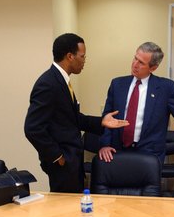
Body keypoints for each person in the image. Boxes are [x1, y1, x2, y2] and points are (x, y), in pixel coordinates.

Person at [25, 33, 128, 193]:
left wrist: (101, 122)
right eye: (82, 56)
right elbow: (32, 128)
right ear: (70, 56)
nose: (84, 60)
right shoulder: (48, 83)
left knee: (73, 208)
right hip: (63, 162)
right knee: (64, 209)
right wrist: (57, 156)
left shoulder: (62, 81)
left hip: (71, 160)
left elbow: (72, 118)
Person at [99, 42, 174, 167]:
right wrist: (105, 144)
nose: (135, 64)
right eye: (135, 58)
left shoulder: (165, 88)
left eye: (141, 63)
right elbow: (107, 117)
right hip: (117, 151)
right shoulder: (117, 84)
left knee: (147, 187)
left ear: (153, 68)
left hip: (150, 154)